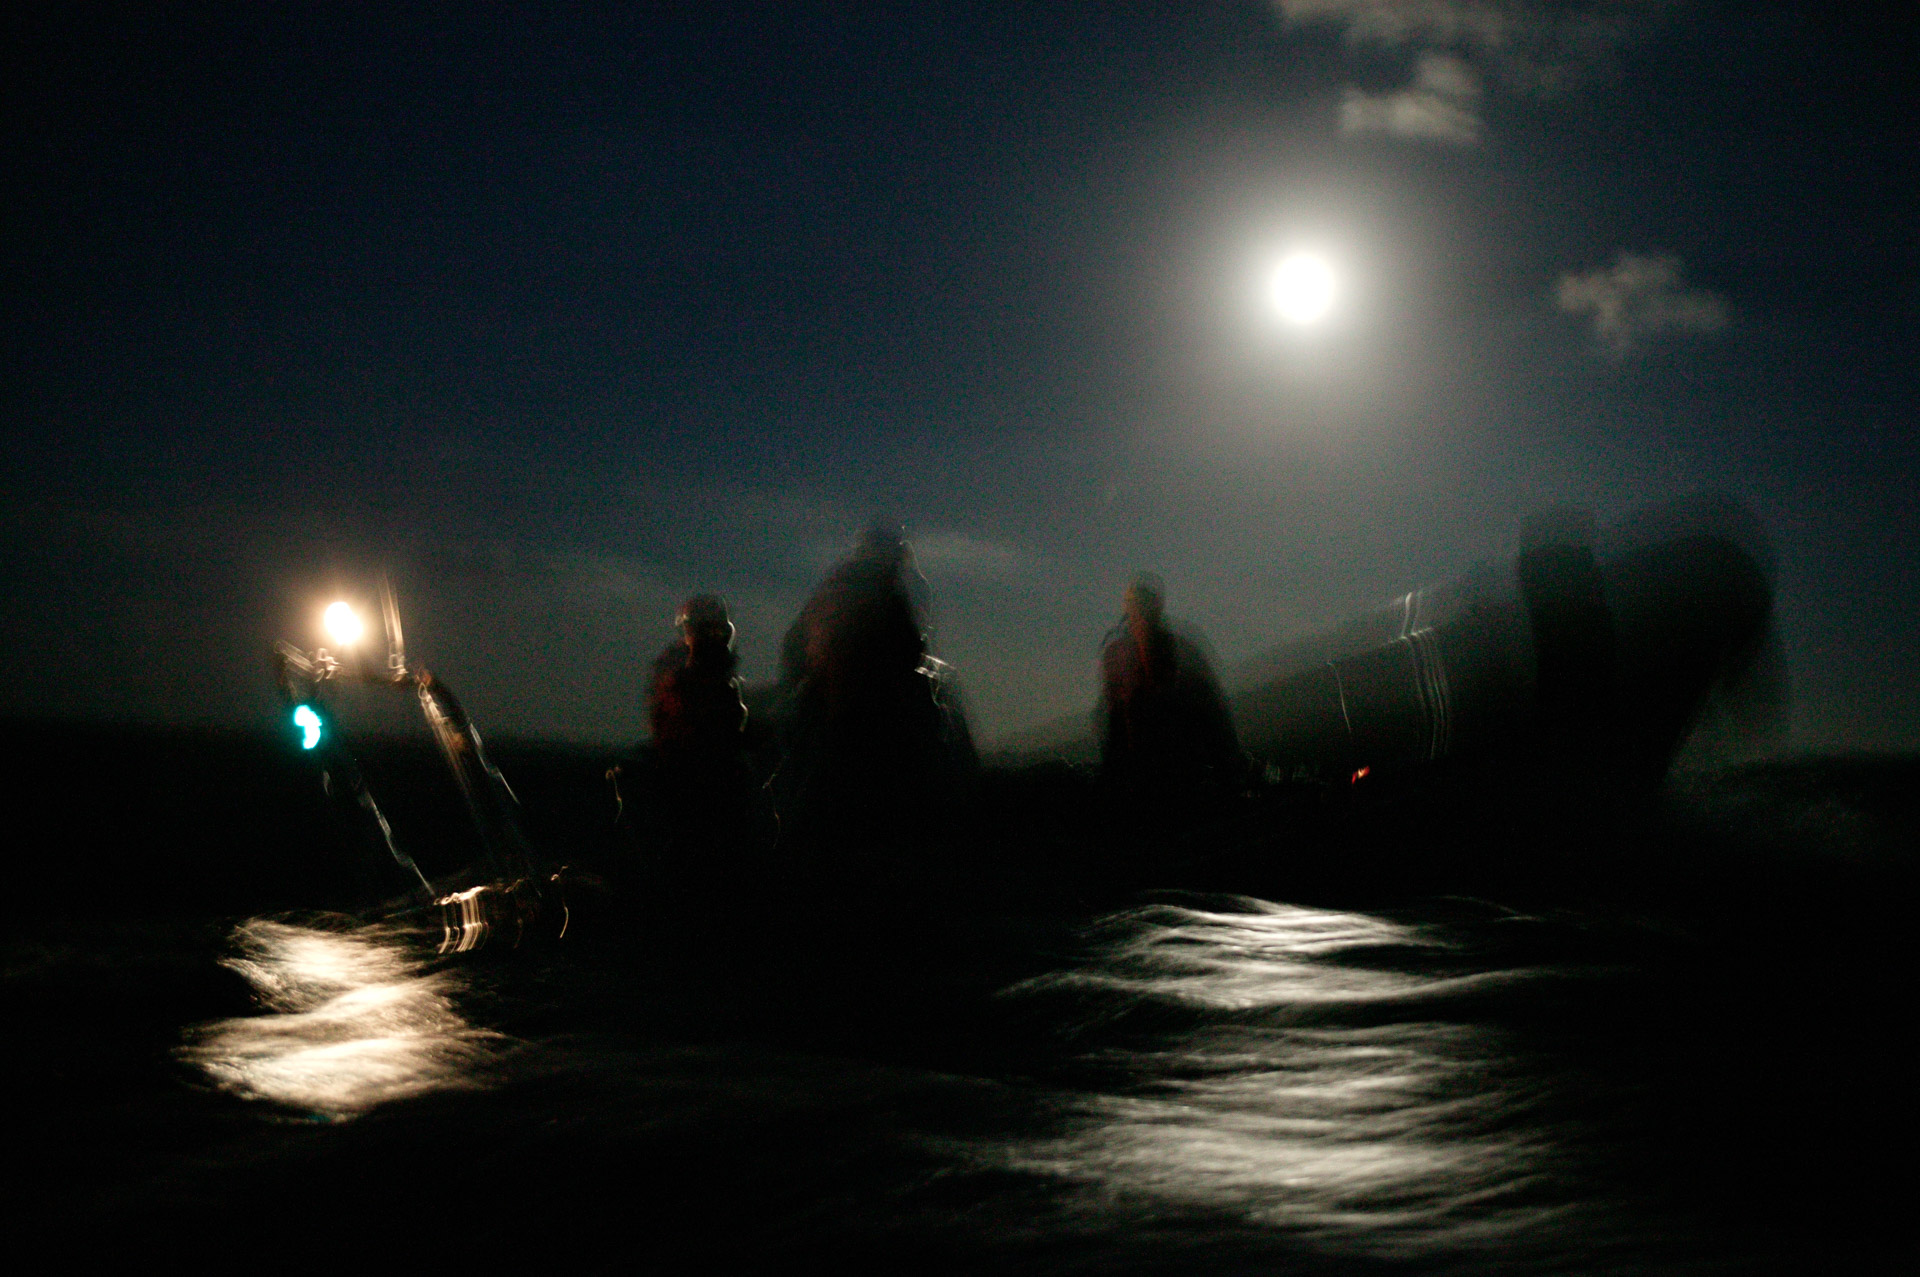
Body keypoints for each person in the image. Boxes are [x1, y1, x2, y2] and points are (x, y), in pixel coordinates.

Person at [1097, 574, 1244, 800]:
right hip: (1146, 778)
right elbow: (1111, 719)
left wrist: (1228, 771)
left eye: (1143, 603)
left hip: (1181, 774)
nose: (1140, 611)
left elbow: (1214, 714)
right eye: (1135, 603)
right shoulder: (1117, 656)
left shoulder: (1181, 651)